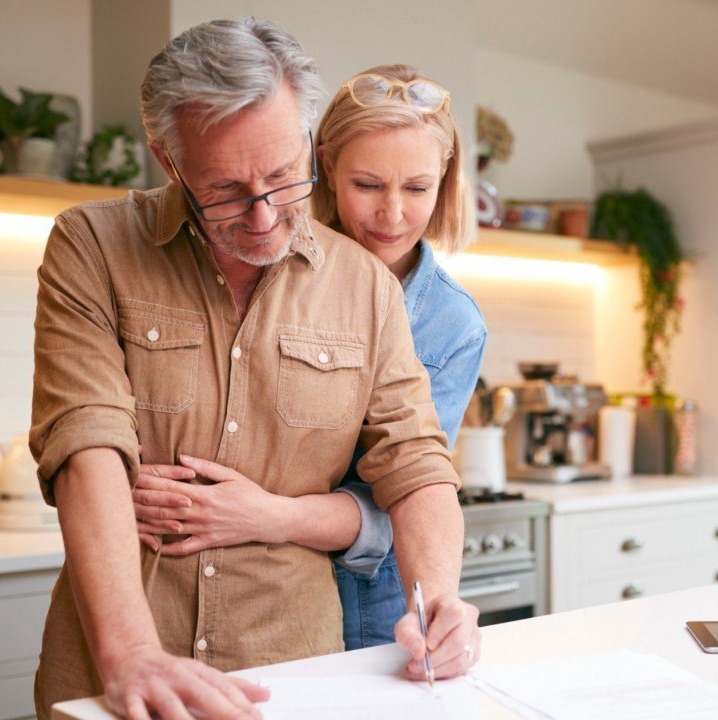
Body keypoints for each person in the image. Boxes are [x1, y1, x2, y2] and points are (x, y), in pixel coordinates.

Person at [29, 18, 479, 720]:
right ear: (168, 160)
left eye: (281, 177)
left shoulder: (365, 284)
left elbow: (415, 461)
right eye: (228, 189)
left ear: (309, 147)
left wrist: (442, 601)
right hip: (114, 673)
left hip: (295, 674)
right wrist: (131, 654)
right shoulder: (92, 245)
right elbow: (85, 440)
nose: (266, 216)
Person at [131, 64, 487, 652]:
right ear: (319, 166)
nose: (392, 214)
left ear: (446, 182)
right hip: (230, 593)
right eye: (367, 185)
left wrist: (265, 513)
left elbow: (401, 491)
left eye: (417, 188)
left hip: (372, 597)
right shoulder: (256, 252)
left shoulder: (453, 323)